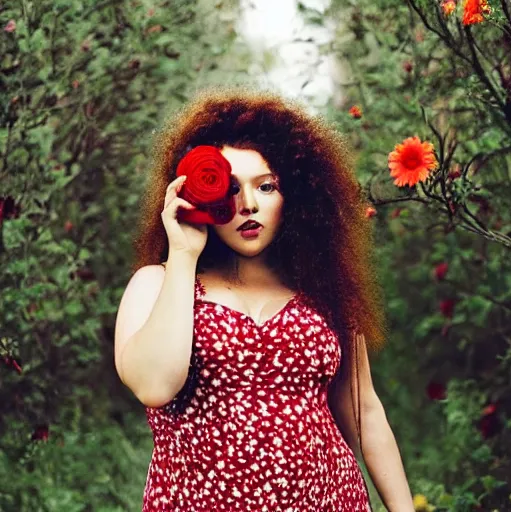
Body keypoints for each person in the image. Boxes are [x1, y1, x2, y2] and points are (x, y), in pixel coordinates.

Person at [114, 87, 415, 511]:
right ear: (201, 198)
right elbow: (154, 385)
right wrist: (183, 254)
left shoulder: (324, 292)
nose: (249, 205)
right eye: (230, 189)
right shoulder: (156, 284)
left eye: (267, 186)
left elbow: (365, 414)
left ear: (294, 195)